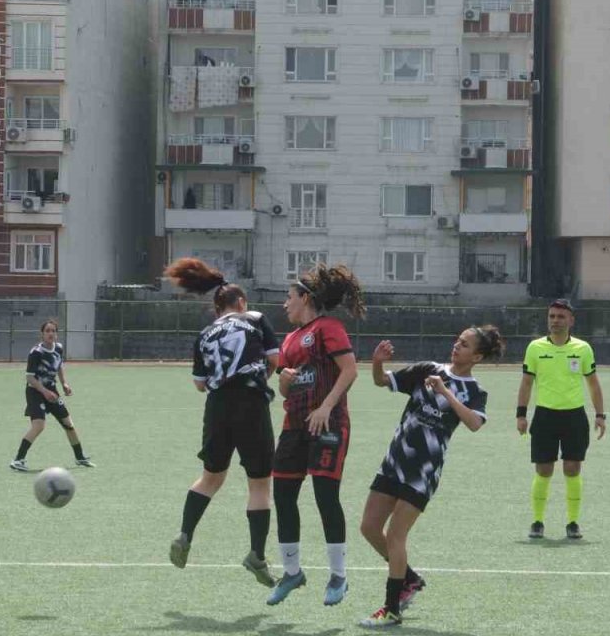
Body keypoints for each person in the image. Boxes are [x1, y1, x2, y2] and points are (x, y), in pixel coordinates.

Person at [357, 327, 503, 629]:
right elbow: (382, 381)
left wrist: (445, 391)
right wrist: (377, 362)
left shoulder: (475, 391)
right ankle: (409, 578)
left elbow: (475, 423)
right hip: (394, 461)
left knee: (396, 536)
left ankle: (392, 608)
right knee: (369, 527)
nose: (456, 346)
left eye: (464, 345)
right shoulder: (427, 370)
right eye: (457, 341)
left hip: (423, 472)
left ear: (476, 356)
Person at [163, 258, 281, 587]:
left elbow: (200, 384)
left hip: (216, 407)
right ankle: (256, 554)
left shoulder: (204, 334)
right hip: (250, 402)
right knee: (259, 483)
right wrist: (259, 376)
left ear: (218, 309)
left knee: (210, 477)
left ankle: (185, 534)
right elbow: (274, 359)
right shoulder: (255, 319)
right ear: (241, 302)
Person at [267, 264, 366, 607]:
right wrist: (285, 380)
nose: (285, 304)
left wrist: (325, 407)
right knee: (282, 496)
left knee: (326, 497)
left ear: (305, 297)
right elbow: (284, 388)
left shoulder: (328, 327)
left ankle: (338, 575)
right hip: (293, 428)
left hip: (328, 424)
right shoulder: (291, 339)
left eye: (289, 297)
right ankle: (292, 572)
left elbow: (350, 369)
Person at [516, 299, 606, 540]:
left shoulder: (583, 348)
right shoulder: (535, 348)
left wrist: (600, 414)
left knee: (572, 467)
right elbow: (526, 383)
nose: (555, 320)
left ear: (571, 321)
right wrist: (521, 414)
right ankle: (537, 521)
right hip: (544, 416)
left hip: (574, 416)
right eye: (552, 316)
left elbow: (593, 384)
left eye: (560, 317)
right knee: (544, 470)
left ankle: (573, 522)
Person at [10, 319, 93, 471]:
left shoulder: (59, 348)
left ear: (56, 334)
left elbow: (59, 366)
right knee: (39, 425)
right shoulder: (36, 352)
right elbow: (30, 377)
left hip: (51, 391)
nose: (50, 333)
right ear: (42, 334)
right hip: (35, 391)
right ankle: (18, 460)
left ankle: (80, 457)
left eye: (53, 331)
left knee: (69, 424)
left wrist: (64, 384)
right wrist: (45, 392)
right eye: (47, 331)